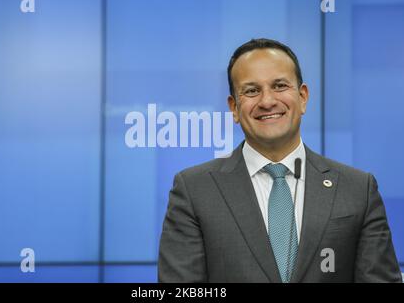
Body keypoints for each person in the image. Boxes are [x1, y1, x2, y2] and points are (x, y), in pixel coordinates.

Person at [158, 38, 402, 283]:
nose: (267, 101)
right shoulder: (194, 190)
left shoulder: (358, 189)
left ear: (303, 97)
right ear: (233, 107)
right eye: (252, 90)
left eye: (279, 86)